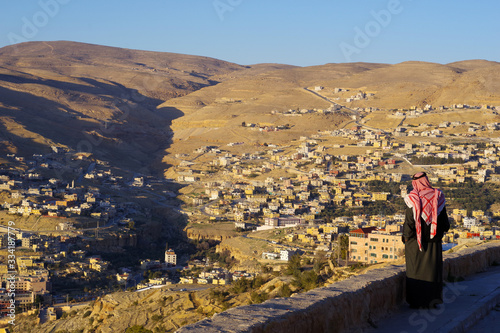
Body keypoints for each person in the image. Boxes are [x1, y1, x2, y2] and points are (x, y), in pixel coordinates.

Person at [402, 172, 450, 309]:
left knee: (414, 270)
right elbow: (445, 223)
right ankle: (432, 301)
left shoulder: (412, 199)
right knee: (432, 271)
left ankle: (416, 301)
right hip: (434, 242)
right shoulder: (438, 197)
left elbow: (409, 222)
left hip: (415, 244)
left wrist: (406, 237)